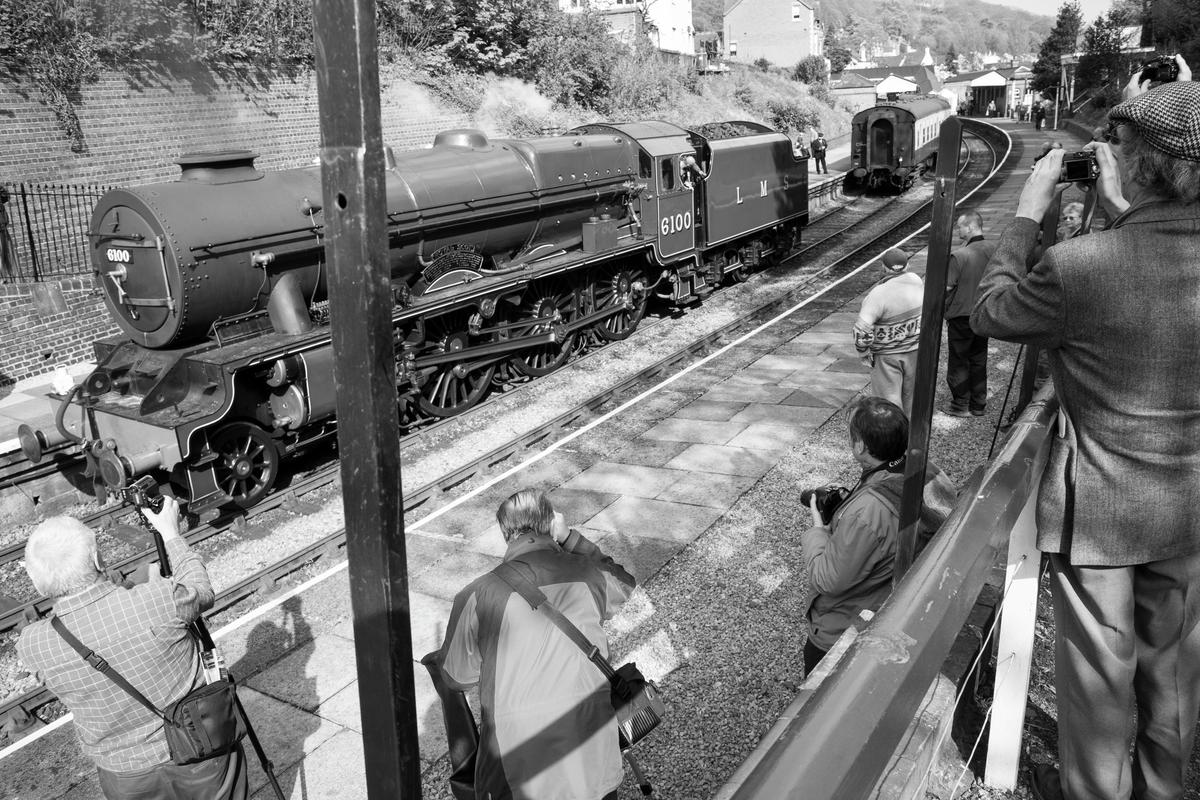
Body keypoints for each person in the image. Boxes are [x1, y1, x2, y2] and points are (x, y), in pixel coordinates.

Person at [970, 65, 1200, 800]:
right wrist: (1117, 211)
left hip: (1100, 515)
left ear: (1140, 163)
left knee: (1102, 690)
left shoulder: (1081, 268)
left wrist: (1027, 213)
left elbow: (991, 312)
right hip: (1189, 508)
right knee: (1171, 679)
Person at [17, 498, 247, 800]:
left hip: (125, 777)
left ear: (37, 583)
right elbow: (200, 590)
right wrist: (171, 535)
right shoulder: (158, 599)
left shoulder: (32, 645)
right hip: (202, 748)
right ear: (99, 560)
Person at [436, 489, 636, 800]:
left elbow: (456, 677)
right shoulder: (588, 573)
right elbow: (625, 583)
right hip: (593, 758)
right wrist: (569, 537)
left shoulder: (476, 594)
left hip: (519, 769)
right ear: (549, 525)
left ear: (506, 534)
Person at [801, 397, 957, 672]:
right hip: (904, 596)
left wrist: (818, 531)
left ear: (860, 445)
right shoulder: (924, 468)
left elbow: (828, 579)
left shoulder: (866, 513)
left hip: (846, 629)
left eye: (852, 437)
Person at [852, 248, 923, 417]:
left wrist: (863, 352)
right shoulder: (916, 281)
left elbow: (862, 330)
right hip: (915, 350)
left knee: (888, 402)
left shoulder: (878, 294)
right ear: (908, 265)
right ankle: (910, 433)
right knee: (911, 397)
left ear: (883, 267)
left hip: (887, 355)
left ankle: (894, 437)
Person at [943, 211, 994, 417]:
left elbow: (946, 287)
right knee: (979, 359)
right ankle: (978, 404)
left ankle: (960, 404)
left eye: (960, 226)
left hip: (961, 315)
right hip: (984, 313)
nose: (958, 230)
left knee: (959, 360)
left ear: (971, 227)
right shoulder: (994, 249)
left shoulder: (959, 256)